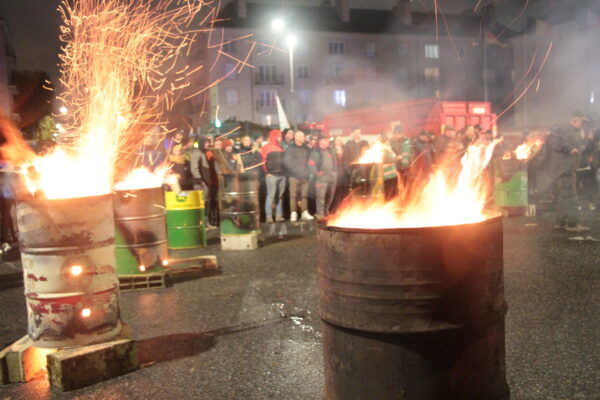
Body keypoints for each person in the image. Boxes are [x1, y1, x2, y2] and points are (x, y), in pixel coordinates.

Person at [539, 111, 590, 232]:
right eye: (582, 122)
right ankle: (572, 224)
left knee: (563, 197)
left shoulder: (570, 131)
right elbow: (554, 141)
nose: (582, 124)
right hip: (565, 169)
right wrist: (569, 149)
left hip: (565, 169)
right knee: (571, 197)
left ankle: (560, 222)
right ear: (575, 120)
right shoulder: (563, 129)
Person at [283, 130, 313, 221]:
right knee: (293, 196)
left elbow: (310, 161)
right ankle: (294, 213)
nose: (303, 138)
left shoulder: (306, 149)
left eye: (303, 136)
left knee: (304, 195)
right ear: (296, 138)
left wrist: (308, 172)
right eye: (301, 136)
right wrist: (295, 172)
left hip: (305, 176)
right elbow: (287, 162)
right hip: (294, 176)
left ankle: (304, 212)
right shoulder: (290, 149)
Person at [191, 136, 219, 226]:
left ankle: (206, 222)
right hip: (200, 183)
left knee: (207, 203)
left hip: (206, 182)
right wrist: (200, 180)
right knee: (201, 203)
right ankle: (201, 223)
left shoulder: (204, 153)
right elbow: (194, 168)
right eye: (207, 142)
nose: (208, 144)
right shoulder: (197, 153)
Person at [260, 130, 286, 223]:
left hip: (281, 174)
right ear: (274, 136)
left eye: (280, 136)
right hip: (272, 175)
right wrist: (267, 172)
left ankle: (278, 215)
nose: (280, 138)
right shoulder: (266, 147)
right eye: (278, 136)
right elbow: (263, 161)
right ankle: (269, 216)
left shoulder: (281, 147)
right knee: (271, 196)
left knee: (279, 196)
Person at [309, 135, 337, 219]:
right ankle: (320, 215)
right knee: (321, 197)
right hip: (321, 178)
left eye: (327, 141)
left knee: (330, 196)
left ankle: (326, 211)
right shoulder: (315, 152)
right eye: (325, 140)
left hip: (332, 177)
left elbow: (335, 163)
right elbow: (311, 165)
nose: (327, 142)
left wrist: (335, 173)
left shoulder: (330, 151)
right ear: (320, 141)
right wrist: (317, 173)